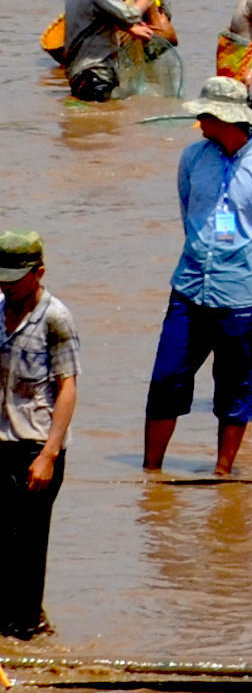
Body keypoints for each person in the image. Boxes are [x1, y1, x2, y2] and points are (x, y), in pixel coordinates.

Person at [142, 76, 252, 476]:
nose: (199, 121)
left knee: (235, 389)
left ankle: (222, 471)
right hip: (189, 289)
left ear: (228, 119)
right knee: (166, 380)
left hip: (243, 297)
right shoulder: (193, 159)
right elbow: (189, 214)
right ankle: (151, 472)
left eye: (206, 115)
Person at [0, 232, 71, 637]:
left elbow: (68, 388)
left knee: (28, 547)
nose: (6, 286)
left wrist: (49, 454)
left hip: (36, 446)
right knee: (3, 543)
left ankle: (29, 631)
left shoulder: (56, 318)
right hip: (1, 443)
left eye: (15, 278)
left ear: (38, 273)